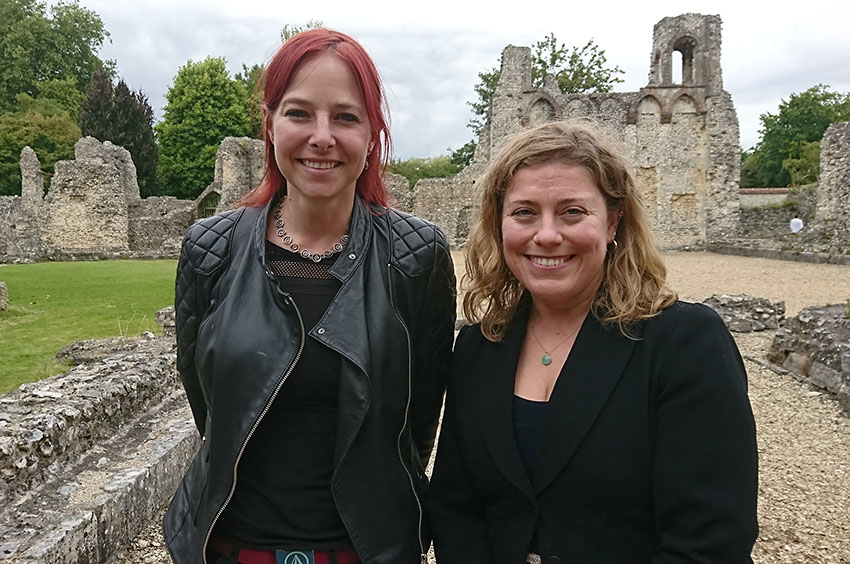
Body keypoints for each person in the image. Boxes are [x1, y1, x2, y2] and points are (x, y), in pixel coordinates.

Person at [163, 29, 456, 564]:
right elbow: (211, 406)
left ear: (372, 135)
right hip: (231, 545)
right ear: (270, 125)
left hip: (366, 550)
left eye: (345, 117)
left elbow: (416, 423)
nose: (322, 136)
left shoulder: (417, 257)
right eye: (299, 113)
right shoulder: (211, 249)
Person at [426, 121, 758, 564]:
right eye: (524, 212)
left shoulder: (683, 344)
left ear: (613, 221)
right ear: (499, 223)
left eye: (572, 212)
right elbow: (455, 505)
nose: (546, 234)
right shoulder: (478, 347)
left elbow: (712, 537)